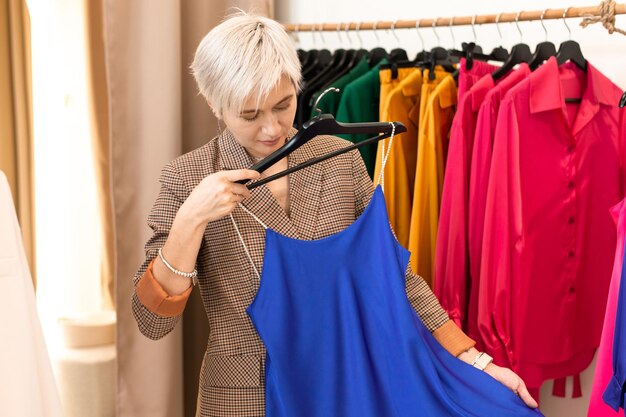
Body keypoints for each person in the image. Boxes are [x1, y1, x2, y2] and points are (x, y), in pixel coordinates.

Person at [131, 11, 539, 416]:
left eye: (283, 104)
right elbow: (153, 322)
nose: (271, 128)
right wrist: (191, 218)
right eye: (250, 115)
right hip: (244, 399)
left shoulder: (336, 157)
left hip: (340, 390)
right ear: (213, 104)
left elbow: (394, 276)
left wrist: (476, 362)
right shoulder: (188, 178)